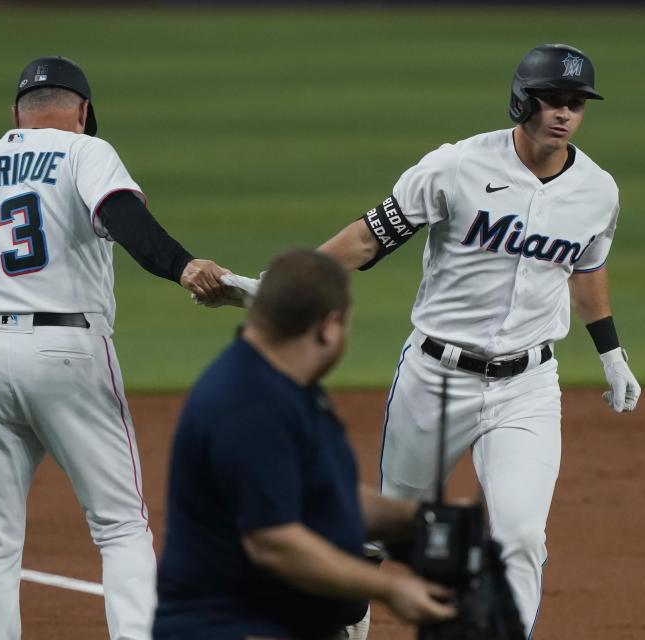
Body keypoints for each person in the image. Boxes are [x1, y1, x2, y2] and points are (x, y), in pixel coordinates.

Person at [311, 43, 642, 636]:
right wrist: (290, 281)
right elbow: (371, 236)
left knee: (519, 537)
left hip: (529, 387)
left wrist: (611, 352)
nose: (564, 113)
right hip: (434, 380)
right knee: (386, 530)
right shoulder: (456, 167)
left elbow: (587, 269)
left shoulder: (598, 191)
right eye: (552, 100)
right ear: (523, 101)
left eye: (576, 103)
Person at [0, 55, 231, 640]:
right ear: (83, 112)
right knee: (120, 527)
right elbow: (122, 215)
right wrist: (184, 268)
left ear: (15, 115)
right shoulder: (85, 152)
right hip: (67, 349)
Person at [153, 249, 456, 640]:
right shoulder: (248, 403)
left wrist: (417, 521)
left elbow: (324, 495)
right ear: (328, 326)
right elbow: (275, 543)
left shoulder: (285, 386)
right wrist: (390, 588)